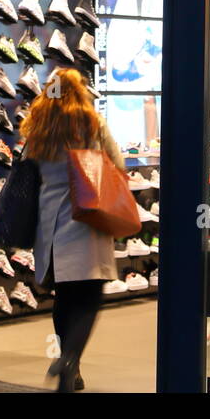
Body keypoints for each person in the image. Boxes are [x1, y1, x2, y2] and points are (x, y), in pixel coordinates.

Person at [19, 67, 124, 392]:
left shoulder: (38, 127)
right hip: (86, 218)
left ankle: (71, 369)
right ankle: (68, 360)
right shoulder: (91, 123)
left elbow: (27, 169)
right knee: (90, 295)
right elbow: (118, 164)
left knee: (65, 296)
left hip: (50, 224)